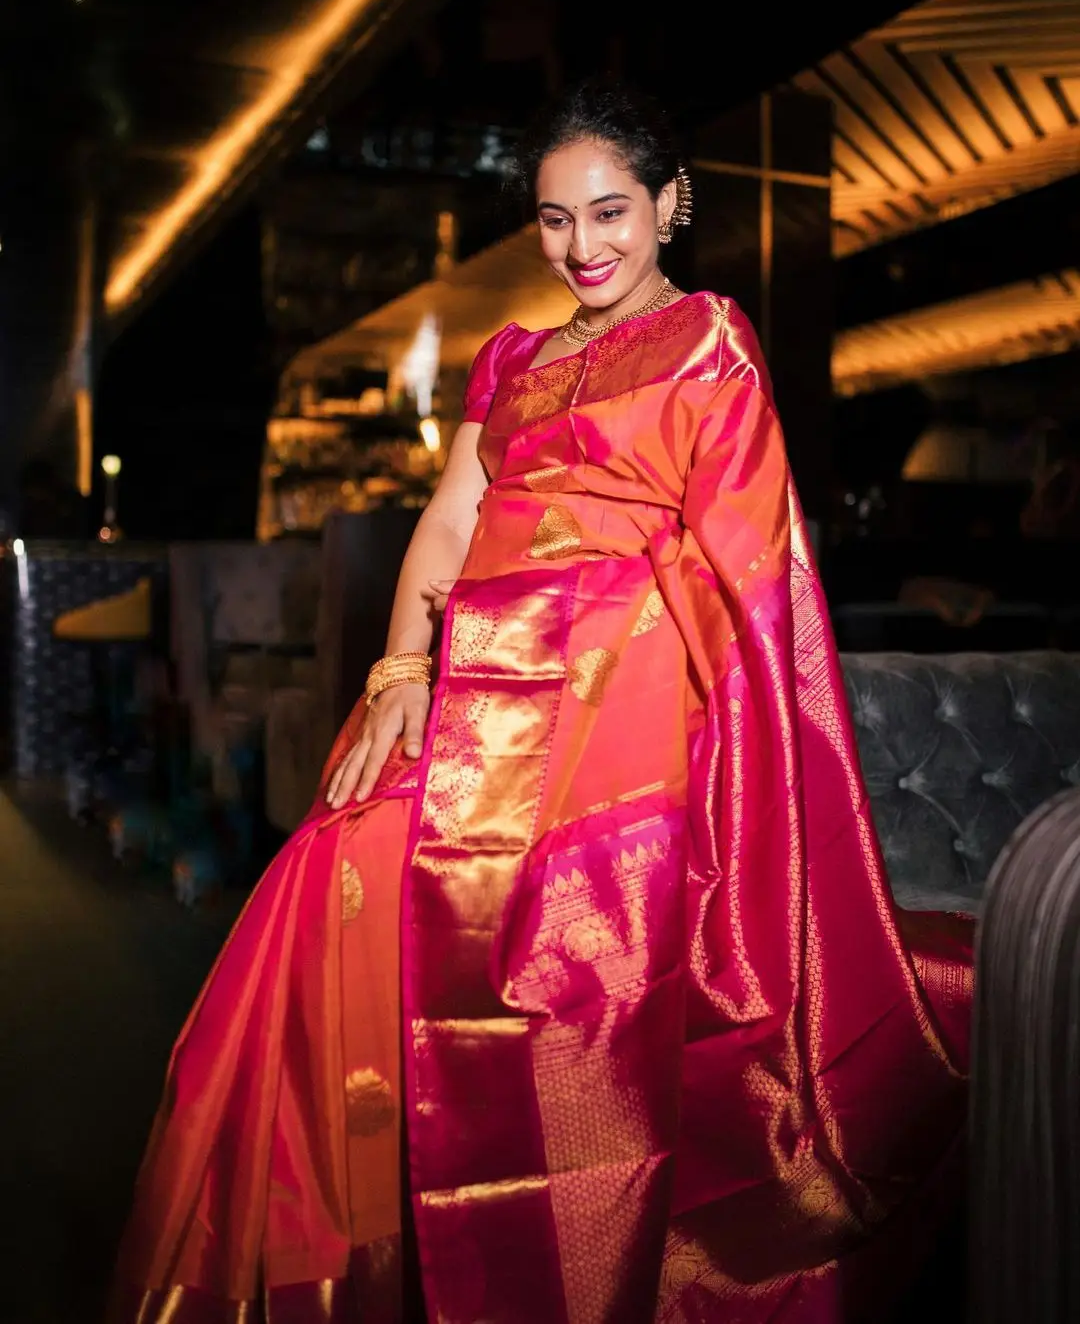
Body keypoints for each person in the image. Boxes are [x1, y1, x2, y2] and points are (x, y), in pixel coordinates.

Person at [111, 79, 973, 1324]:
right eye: (557, 220)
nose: (585, 246)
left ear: (673, 205)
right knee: (333, 870)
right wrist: (402, 670)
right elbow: (452, 520)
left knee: (565, 941)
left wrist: (651, 679)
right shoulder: (510, 358)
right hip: (473, 692)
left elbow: (738, 554)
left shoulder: (710, 341)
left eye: (612, 212)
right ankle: (368, 1257)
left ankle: (551, 1249)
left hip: (620, 696)